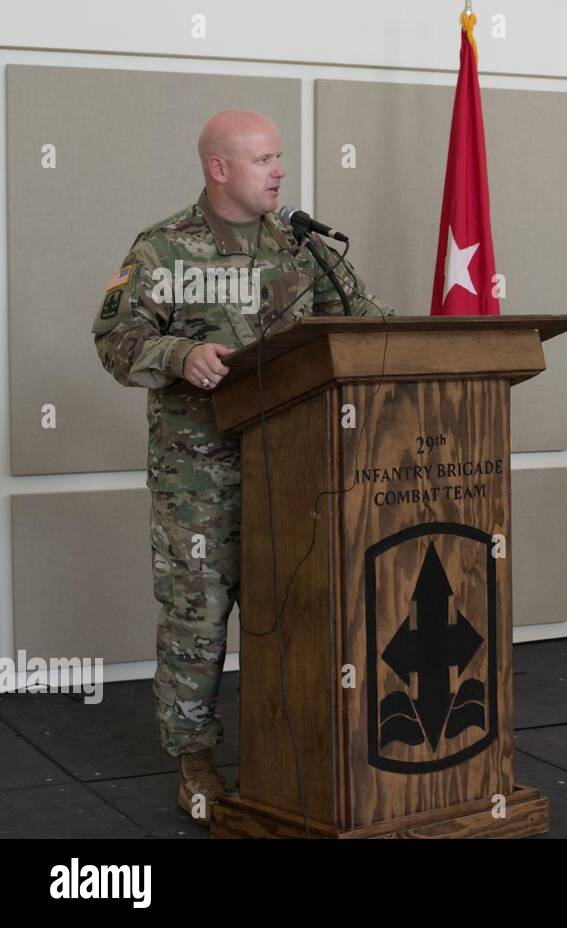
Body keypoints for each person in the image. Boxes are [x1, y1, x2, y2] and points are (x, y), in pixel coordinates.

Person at [91, 109, 397, 824]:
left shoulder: (301, 247)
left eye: (280, 157)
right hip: (199, 476)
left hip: (294, 464)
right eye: (264, 159)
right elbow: (116, 338)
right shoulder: (165, 247)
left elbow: (364, 316)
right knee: (198, 621)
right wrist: (177, 355)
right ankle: (195, 759)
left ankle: (288, 749)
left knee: (292, 610)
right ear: (218, 169)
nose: (280, 170)